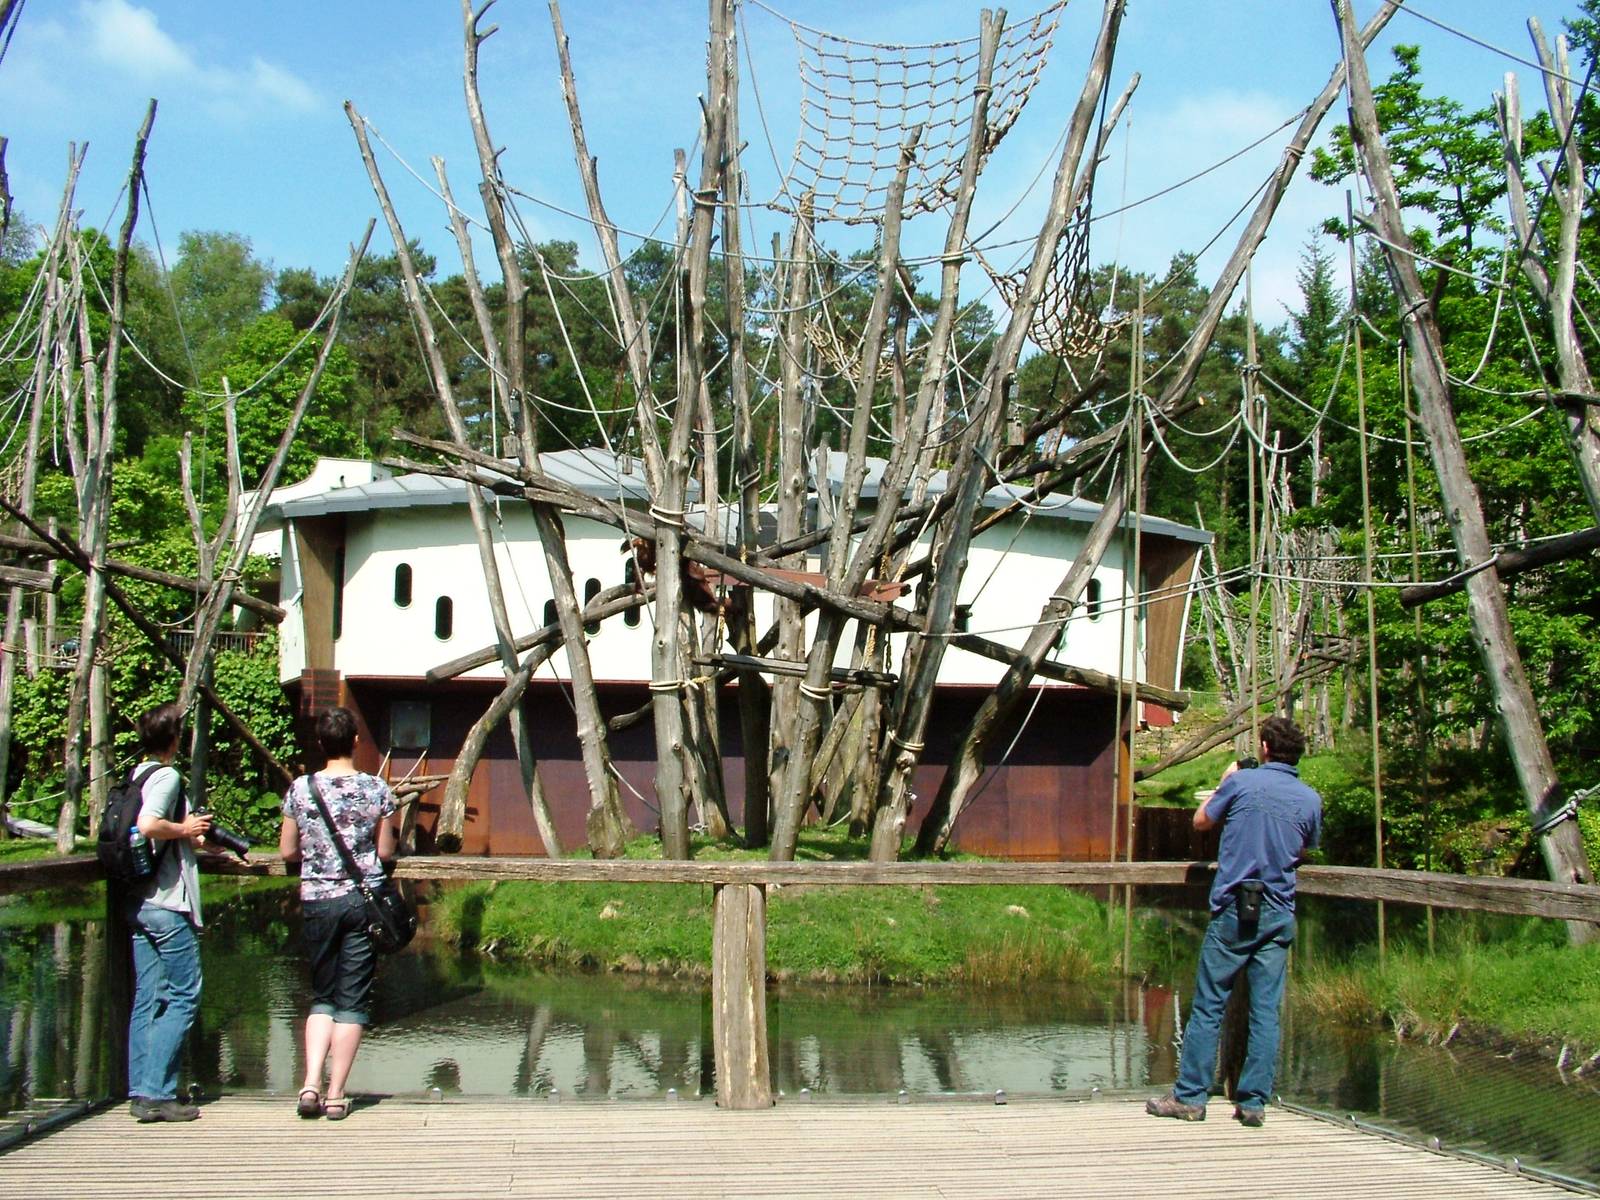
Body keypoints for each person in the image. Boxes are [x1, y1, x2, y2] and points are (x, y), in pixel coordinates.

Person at [1146, 714, 1322, 1128]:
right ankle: (1254, 1101)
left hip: (1234, 908)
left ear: (1263, 747)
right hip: (1279, 909)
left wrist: (1227, 780)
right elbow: (1306, 848)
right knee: (1266, 1009)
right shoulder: (1310, 799)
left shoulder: (1242, 784)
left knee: (1209, 1004)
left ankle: (1190, 1096)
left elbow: (1201, 820)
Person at [278, 706, 398, 1120]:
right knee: (352, 1000)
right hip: (361, 903)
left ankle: (309, 1082)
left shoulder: (300, 789)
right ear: (354, 742)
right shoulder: (377, 790)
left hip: (317, 900)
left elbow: (287, 851)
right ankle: (336, 1093)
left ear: (321, 744)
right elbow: (384, 852)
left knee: (322, 996)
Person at [127, 702, 212, 1123]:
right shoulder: (167, 775)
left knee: (148, 998)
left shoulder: (136, 774)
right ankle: (158, 1093)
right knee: (184, 994)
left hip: (140, 901)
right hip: (166, 903)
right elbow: (148, 824)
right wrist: (186, 829)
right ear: (174, 739)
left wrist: (186, 835)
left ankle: (141, 1090)